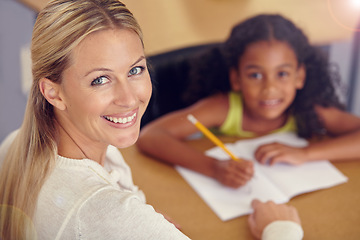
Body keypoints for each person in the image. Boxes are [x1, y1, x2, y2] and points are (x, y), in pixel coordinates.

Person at [0, 1, 303, 239]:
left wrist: (136, 224)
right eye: (100, 80)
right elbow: (100, 215)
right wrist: (280, 229)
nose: (129, 98)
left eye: (135, 70)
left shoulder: (16, 142)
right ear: (53, 93)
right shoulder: (104, 211)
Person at [136, 14, 360, 188]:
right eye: (255, 75)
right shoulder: (224, 107)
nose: (270, 88)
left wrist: (305, 154)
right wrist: (214, 168)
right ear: (236, 79)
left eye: (282, 74)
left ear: (299, 76)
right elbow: (151, 136)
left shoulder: (308, 108)